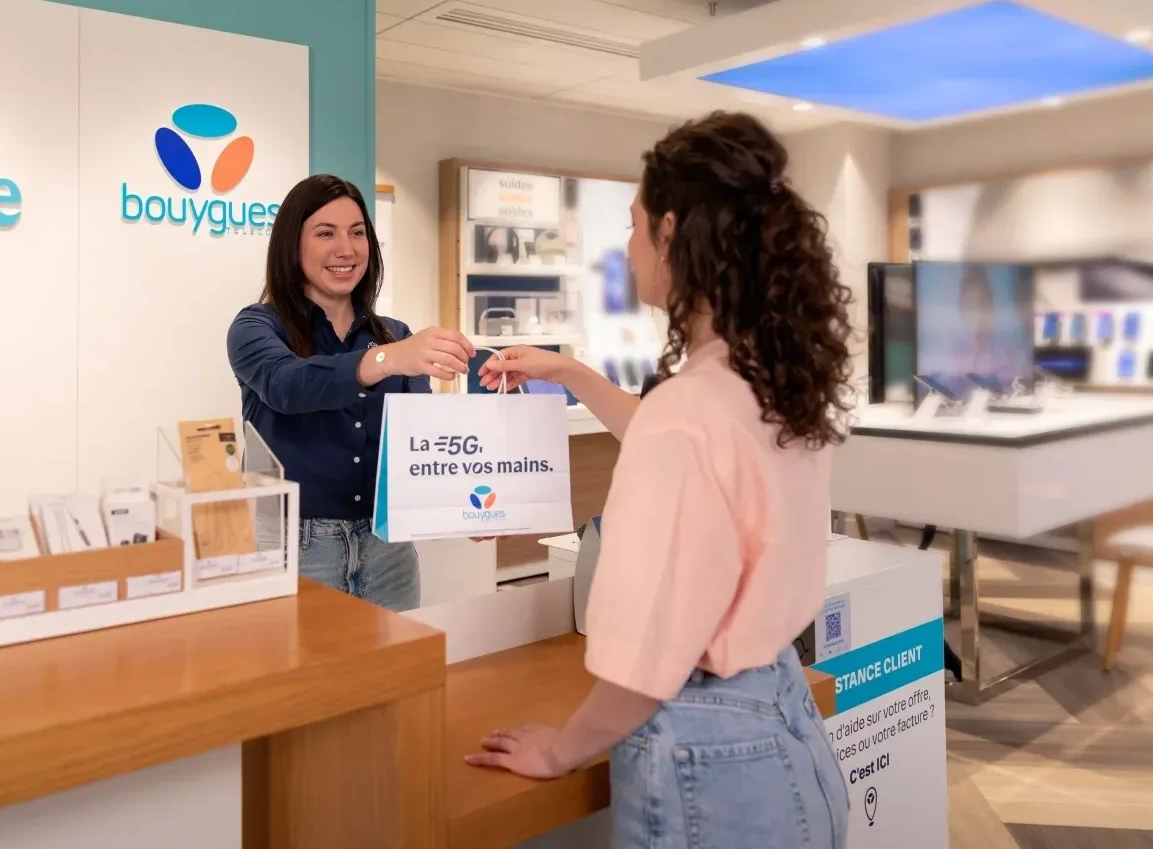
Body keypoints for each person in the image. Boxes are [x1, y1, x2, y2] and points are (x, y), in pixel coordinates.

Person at [467, 112, 853, 848]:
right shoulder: (768, 379)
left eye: (635, 222)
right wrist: (570, 371)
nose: (628, 243)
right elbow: (682, 440)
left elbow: (645, 669)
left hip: (708, 761)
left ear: (673, 232)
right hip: (787, 724)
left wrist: (562, 747)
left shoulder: (687, 412)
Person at [227, 174, 475, 611]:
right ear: (292, 245)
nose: (346, 249)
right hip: (296, 548)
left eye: (357, 233)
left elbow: (420, 444)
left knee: (394, 677)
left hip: (388, 550)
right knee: (302, 680)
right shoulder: (256, 327)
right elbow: (288, 386)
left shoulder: (395, 335)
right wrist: (387, 360)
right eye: (326, 233)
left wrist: (466, 508)